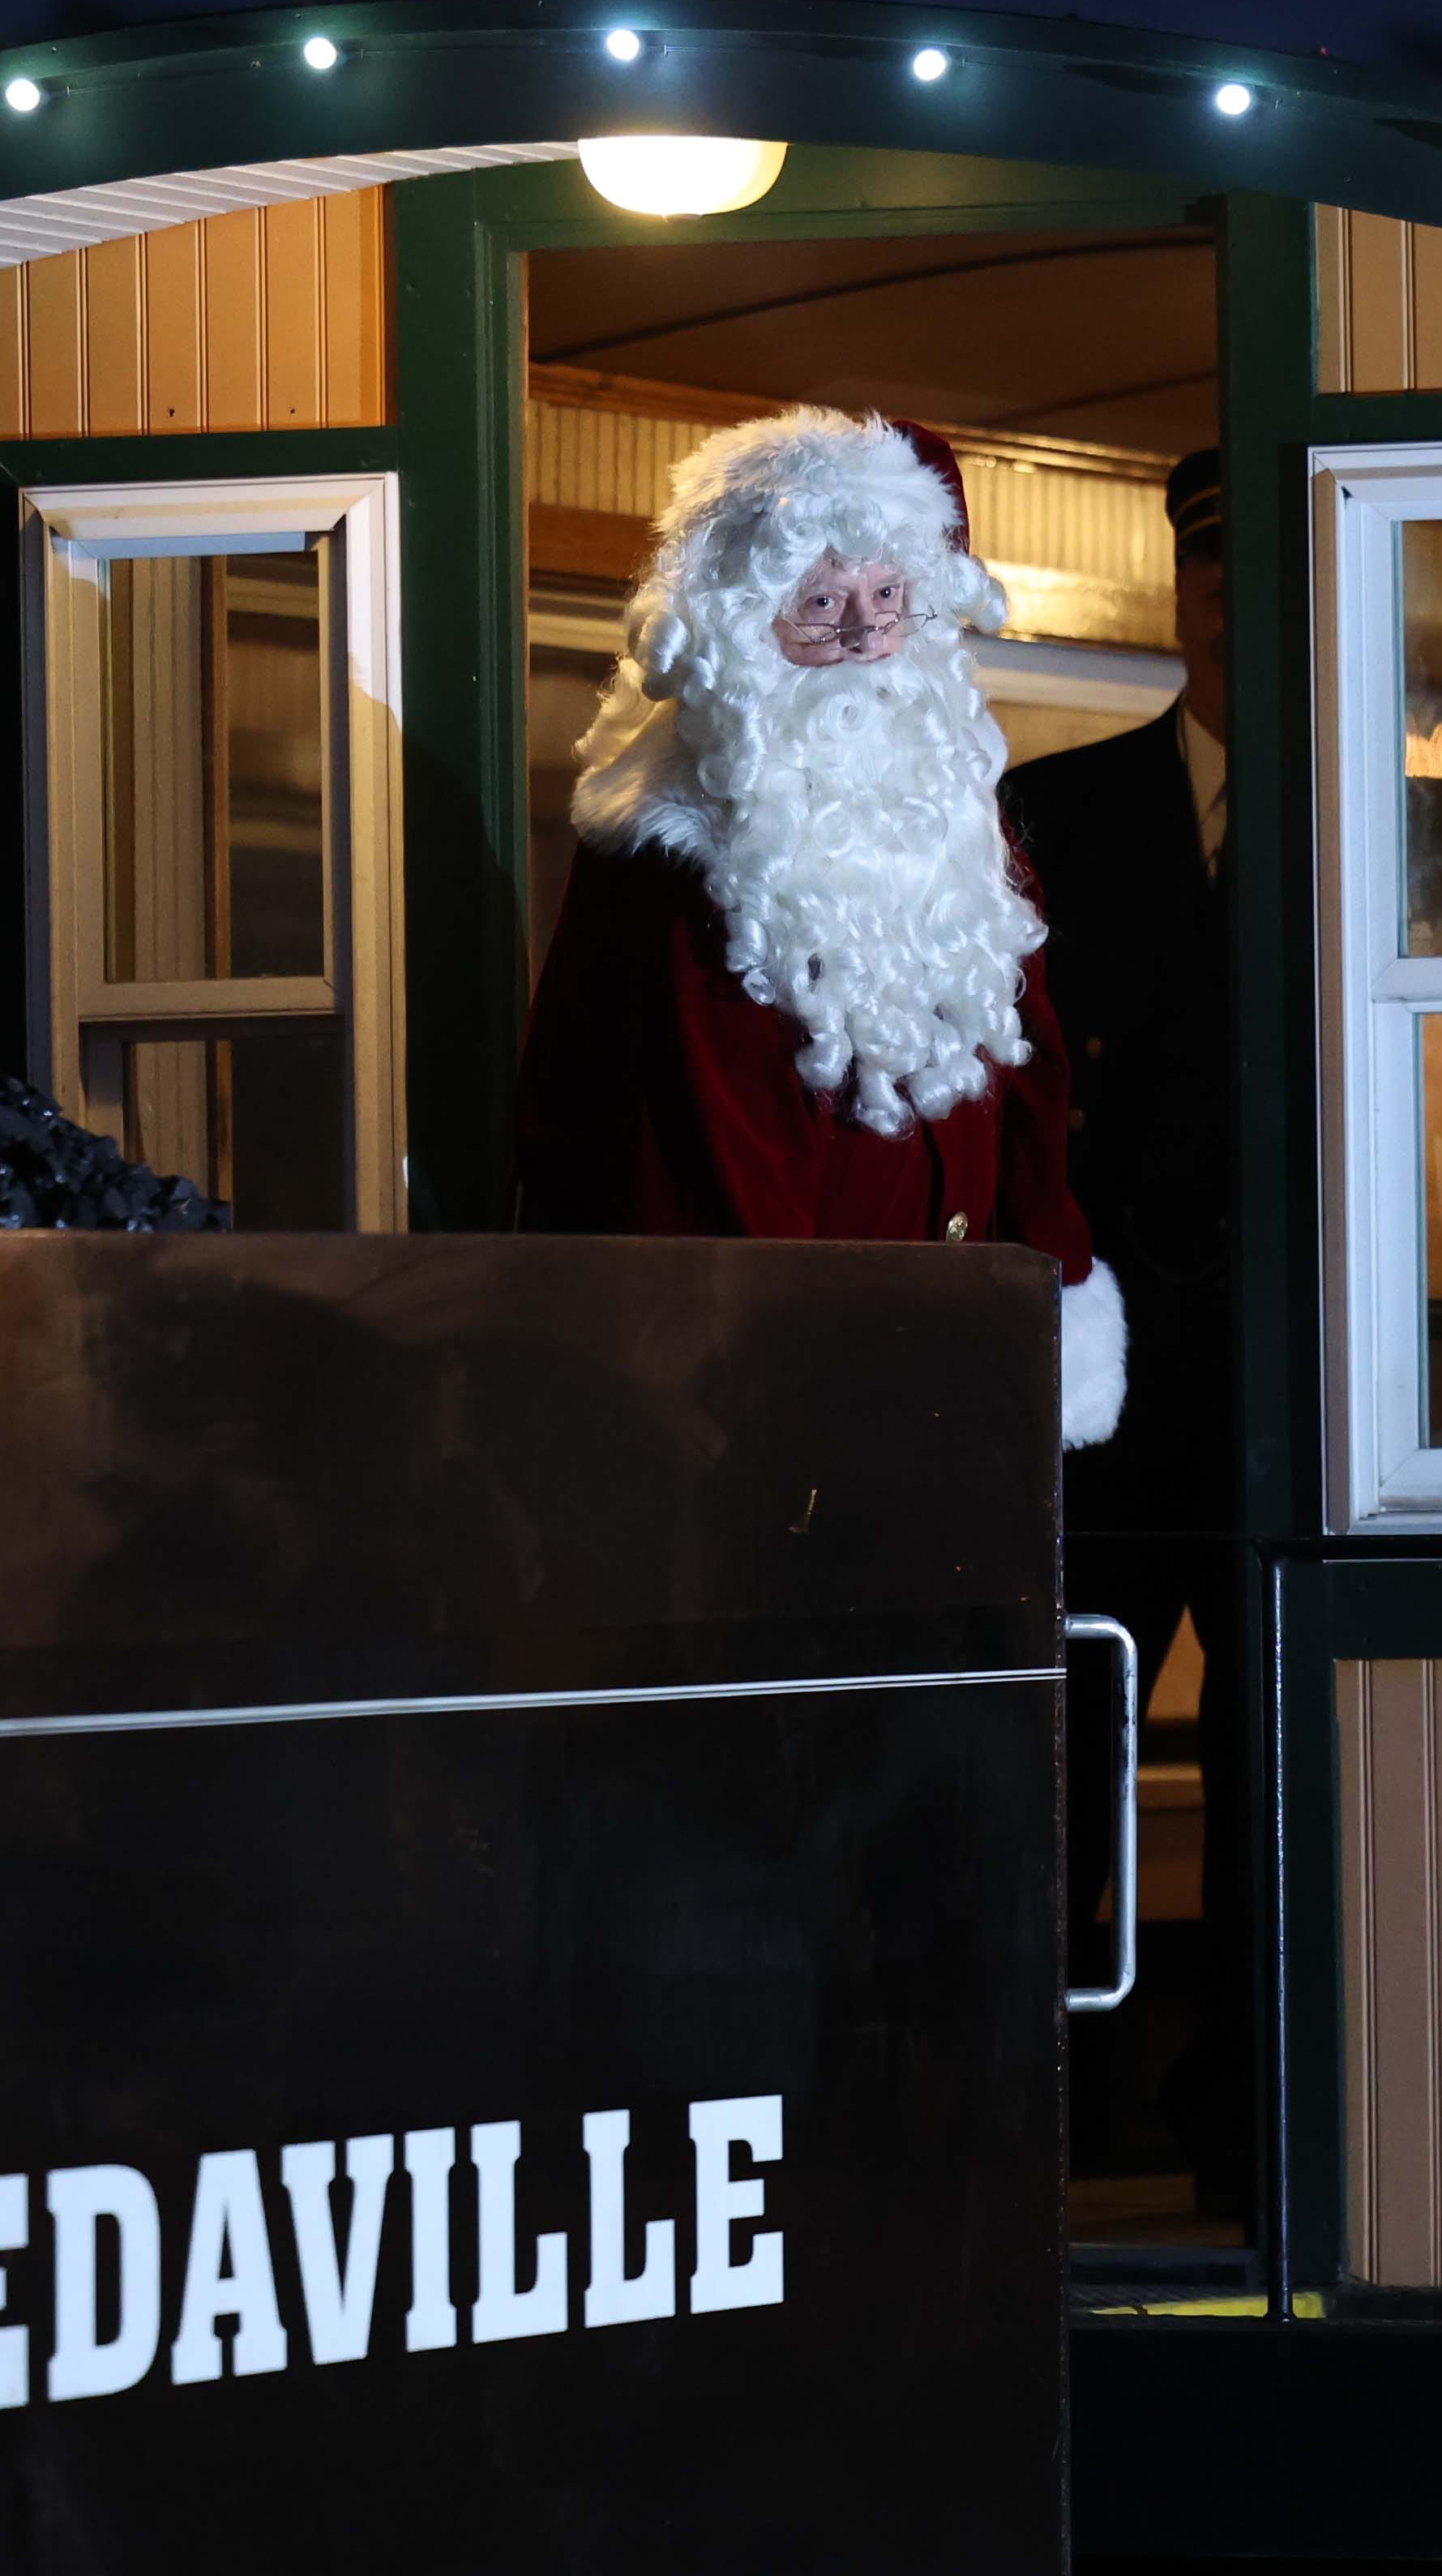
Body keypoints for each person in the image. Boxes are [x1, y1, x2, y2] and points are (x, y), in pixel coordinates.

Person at [514, 405, 1124, 1452]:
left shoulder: (943, 815)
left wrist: (1052, 1278)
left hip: (949, 1357)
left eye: (887, 597)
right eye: (819, 602)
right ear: (742, 619)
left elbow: (1029, 1076)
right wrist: (783, 1398)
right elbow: (701, 1177)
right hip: (782, 1398)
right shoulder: (685, 855)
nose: (860, 633)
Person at [1000, 452, 1249, 2213]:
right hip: (1107, 1372)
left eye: (1253, 566)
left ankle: (1248, 2109)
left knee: (1275, 1757)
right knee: (1066, 1735)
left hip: (1291, 1386)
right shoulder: (1054, 809)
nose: (1227, 600)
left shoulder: (1385, 818)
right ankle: (1033, 2116)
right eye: (1204, 566)